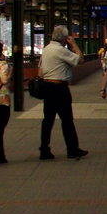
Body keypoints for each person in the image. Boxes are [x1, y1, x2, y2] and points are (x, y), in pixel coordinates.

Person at [39, 25, 89, 160]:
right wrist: (74, 44)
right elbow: (81, 60)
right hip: (60, 89)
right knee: (67, 120)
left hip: (48, 88)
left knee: (47, 120)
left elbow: (40, 70)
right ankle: (72, 149)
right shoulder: (60, 50)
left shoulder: (47, 49)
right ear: (65, 38)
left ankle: (44, 150)